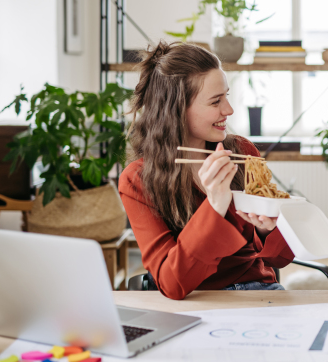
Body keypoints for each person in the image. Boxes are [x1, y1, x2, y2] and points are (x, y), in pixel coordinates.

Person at [119, 41, 294, 300]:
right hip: (194, 300)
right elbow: (171, 283)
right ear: (176, 110)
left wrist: (270, 226)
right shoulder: (137, 180)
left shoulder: (242, 152)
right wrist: (214, 207)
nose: (229, 110)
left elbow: (280, 258)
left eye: (227, 96)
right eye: (215, 101)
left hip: (259, 292)